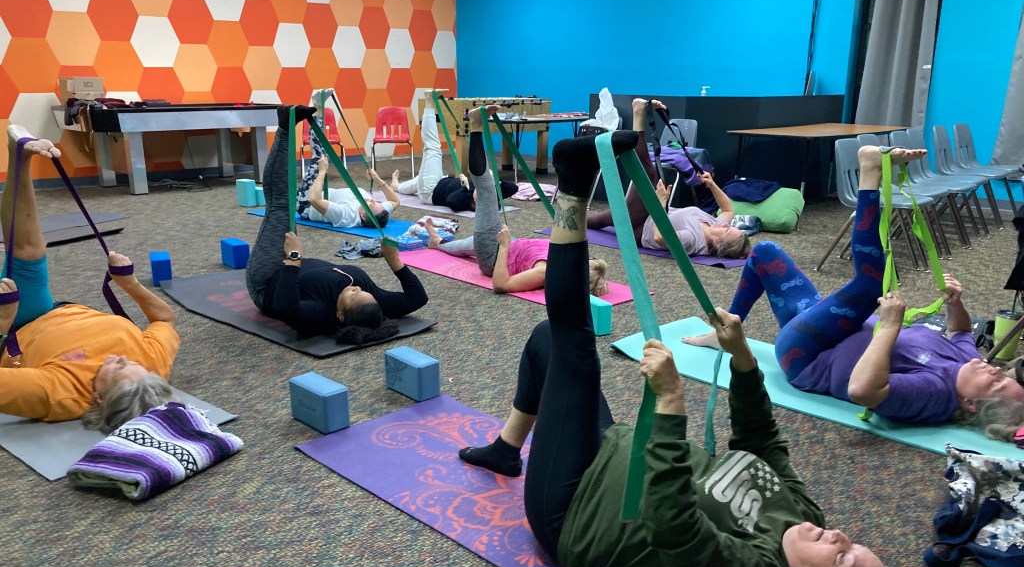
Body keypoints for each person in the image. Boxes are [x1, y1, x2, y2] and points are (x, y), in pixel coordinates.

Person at [459, 131, 934, 567]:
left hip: (576, 506)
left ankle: (572, 183)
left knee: (572, 344)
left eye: (842, 558)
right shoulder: (808, 522)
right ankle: (507, 448)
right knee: (550, 340)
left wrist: (669, 404)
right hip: (617, 451)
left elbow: (673, 522)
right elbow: (762, 443)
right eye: (855, 544)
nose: (839, 537)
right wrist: (743, 359)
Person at [682, 145, 1024, 428]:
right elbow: (961, 332)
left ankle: (870, 173)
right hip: (833, 327)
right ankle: (724, 334)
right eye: (1003, 374)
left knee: (871, 285)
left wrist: (888, 327)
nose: (994, 369)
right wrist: (955, 304)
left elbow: (864, 390)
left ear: (971, 404)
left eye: (995, 382)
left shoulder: (935, 394)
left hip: (809, 355)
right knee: (764, 253)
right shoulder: (969, 361)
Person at [0, 125, 179, 433]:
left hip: (21, 322)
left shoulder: (59, 393)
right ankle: (20, 156)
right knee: (29, 252)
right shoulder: (151, 368)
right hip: (56, 311)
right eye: (133, 364)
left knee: (26, 252)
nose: (122, 358)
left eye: (118, 369)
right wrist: (129, 284)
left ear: (98, 398)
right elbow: (165, 320)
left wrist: (3, 322)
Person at [246, 106, 428, 345]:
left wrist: (293, 258)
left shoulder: (320, 314)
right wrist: (395, 262)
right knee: (284, 205)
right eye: (364, 292)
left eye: (353, 296)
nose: (358, 289)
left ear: (340, 315)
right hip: (295, 265)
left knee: (281, 204)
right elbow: (417, 299)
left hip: (269, 279)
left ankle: (284, 128)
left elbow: (284, 308)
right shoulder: (370, 300)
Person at [424, 105, 609, 296]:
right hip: (512, 244)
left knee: (487, 190)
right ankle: (437, 242)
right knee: (465, 245)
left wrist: (504, 246)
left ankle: (476, 124)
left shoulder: (545, 271)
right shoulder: (575, 259)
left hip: (495, 255)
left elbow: (501, 284)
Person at [586, 98, 751, 260]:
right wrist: (712, 185)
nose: (725, 224)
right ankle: (576, 219)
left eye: (726, 231)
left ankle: (638, 114)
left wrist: (660, 203)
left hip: (641, 227)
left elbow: (660, 238)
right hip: (649, 214)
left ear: (717, 244)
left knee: (647, 174)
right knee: (600, 220)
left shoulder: (693, 240)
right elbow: (728, 210)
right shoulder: (714, 224)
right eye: (729, 226)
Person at [389, 91, 519, 213]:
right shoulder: (489, 193)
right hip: (441, 179)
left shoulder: (464, 200)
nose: (482, 192)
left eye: (479, 197)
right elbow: (513, 188)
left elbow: (451, 201)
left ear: (475, 202)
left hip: (430, 190)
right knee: (417, 181)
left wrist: (469, 188)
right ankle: (396, 186)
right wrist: (493, 182)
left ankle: (429, 100)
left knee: (433, 148)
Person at [297, 153, 398, 230]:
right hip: (322, 192)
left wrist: (322, 171)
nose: (372, 200)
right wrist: (377, 180)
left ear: (363, 216)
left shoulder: (346, 215)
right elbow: (395, 201)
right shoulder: (379, 211)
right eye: (376, 202)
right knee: (320, 150)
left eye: (371, 205)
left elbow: (313, 199)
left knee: (318, 154)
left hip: (307, 205)